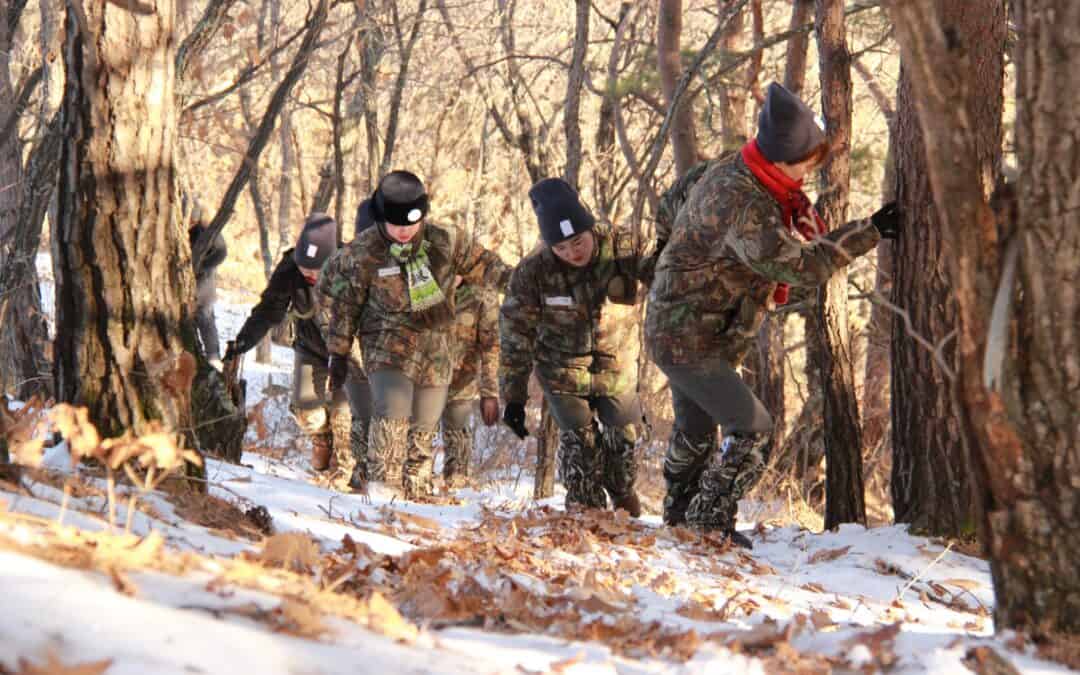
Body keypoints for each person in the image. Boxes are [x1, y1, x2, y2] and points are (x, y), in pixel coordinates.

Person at [646, 82, 901, 546]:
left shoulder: (733, 166)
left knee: (696, 429)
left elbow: (671, 202)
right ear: (786, 158)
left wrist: (672, 257)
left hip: (685, 325)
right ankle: (706, 522)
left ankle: (680, 519)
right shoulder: (746, 203)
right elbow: (801, 266)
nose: (811, 171)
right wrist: (871, 231)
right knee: (754, 429)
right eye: (809, 162)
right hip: (688, 339)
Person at [321, 171, 513, 500]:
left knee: (423, 425)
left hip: (436, 348)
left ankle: (416, 495)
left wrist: (529, 288)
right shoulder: (363, 253)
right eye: (396, 225)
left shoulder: (446, 240)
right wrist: (338, 352)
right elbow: (344, 305)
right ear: (382, 218)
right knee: (391, 410)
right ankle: (382, 490)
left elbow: (491, 268)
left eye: (412, 223)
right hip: (386, 344)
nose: (405, 231)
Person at [499, 178, 654, 516]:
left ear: (590, 228)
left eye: (577, 242)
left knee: (623, 441)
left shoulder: (624, 247)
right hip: (562, 372)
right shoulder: (533, 272)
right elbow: (515, 335)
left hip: (616, 366)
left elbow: (667, 275)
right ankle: (587, 518)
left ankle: (622, 490)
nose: (573, 253)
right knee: (580, 448)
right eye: (561, 248)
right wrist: (513, 397)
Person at [225, 213, 371, 492]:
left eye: (317, 270)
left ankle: (343, 479)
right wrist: (244, 341)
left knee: (344, 413)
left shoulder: (355, 266)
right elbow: (269, 310)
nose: (310, 276)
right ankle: (321, 439)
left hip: (350, 352)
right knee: (308, 411)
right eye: (306, 270)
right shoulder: (290, 269)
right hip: (310, 347)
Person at [441, 282, 500, 487]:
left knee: (457, 433)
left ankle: (456, 486)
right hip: (420, 378)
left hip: (461, 380)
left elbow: (491, 346)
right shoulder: (422, 278)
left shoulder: (483, 292)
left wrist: (489, 392)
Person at [189, 211, 227, 364]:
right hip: (188, 278)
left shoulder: (207, 231)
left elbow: (221, 252)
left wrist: (203, 266)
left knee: (204, 315)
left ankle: (213, 357)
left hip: (204, 280)